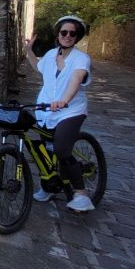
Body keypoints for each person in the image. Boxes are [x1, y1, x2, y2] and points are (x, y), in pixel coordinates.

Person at [23, 15, 94, 212]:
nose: (68, 36)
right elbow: (38, 68)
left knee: (62, 149)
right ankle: (50, 185)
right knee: (45, 150)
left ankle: (81, 193)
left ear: (77, 36)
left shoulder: (81, 59)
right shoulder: (51, 54)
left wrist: (65, 100)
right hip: (46, 110)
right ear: (58, 34)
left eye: (73, 33)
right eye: (64, 32)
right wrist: (28, 51)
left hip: (70, 111)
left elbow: (77, 79)